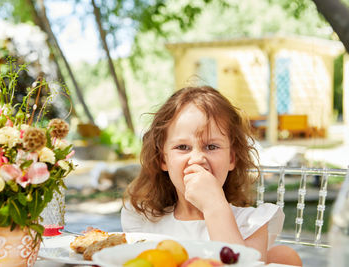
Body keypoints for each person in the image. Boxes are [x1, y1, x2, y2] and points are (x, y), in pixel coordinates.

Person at [121, 86, 302, 266]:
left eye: (211, 147)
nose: (198, 158)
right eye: (183, 147)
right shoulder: (144, 221)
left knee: (285, 255)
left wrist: (214, 206)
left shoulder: (251, 224)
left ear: (231, 158)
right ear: (163, 159)